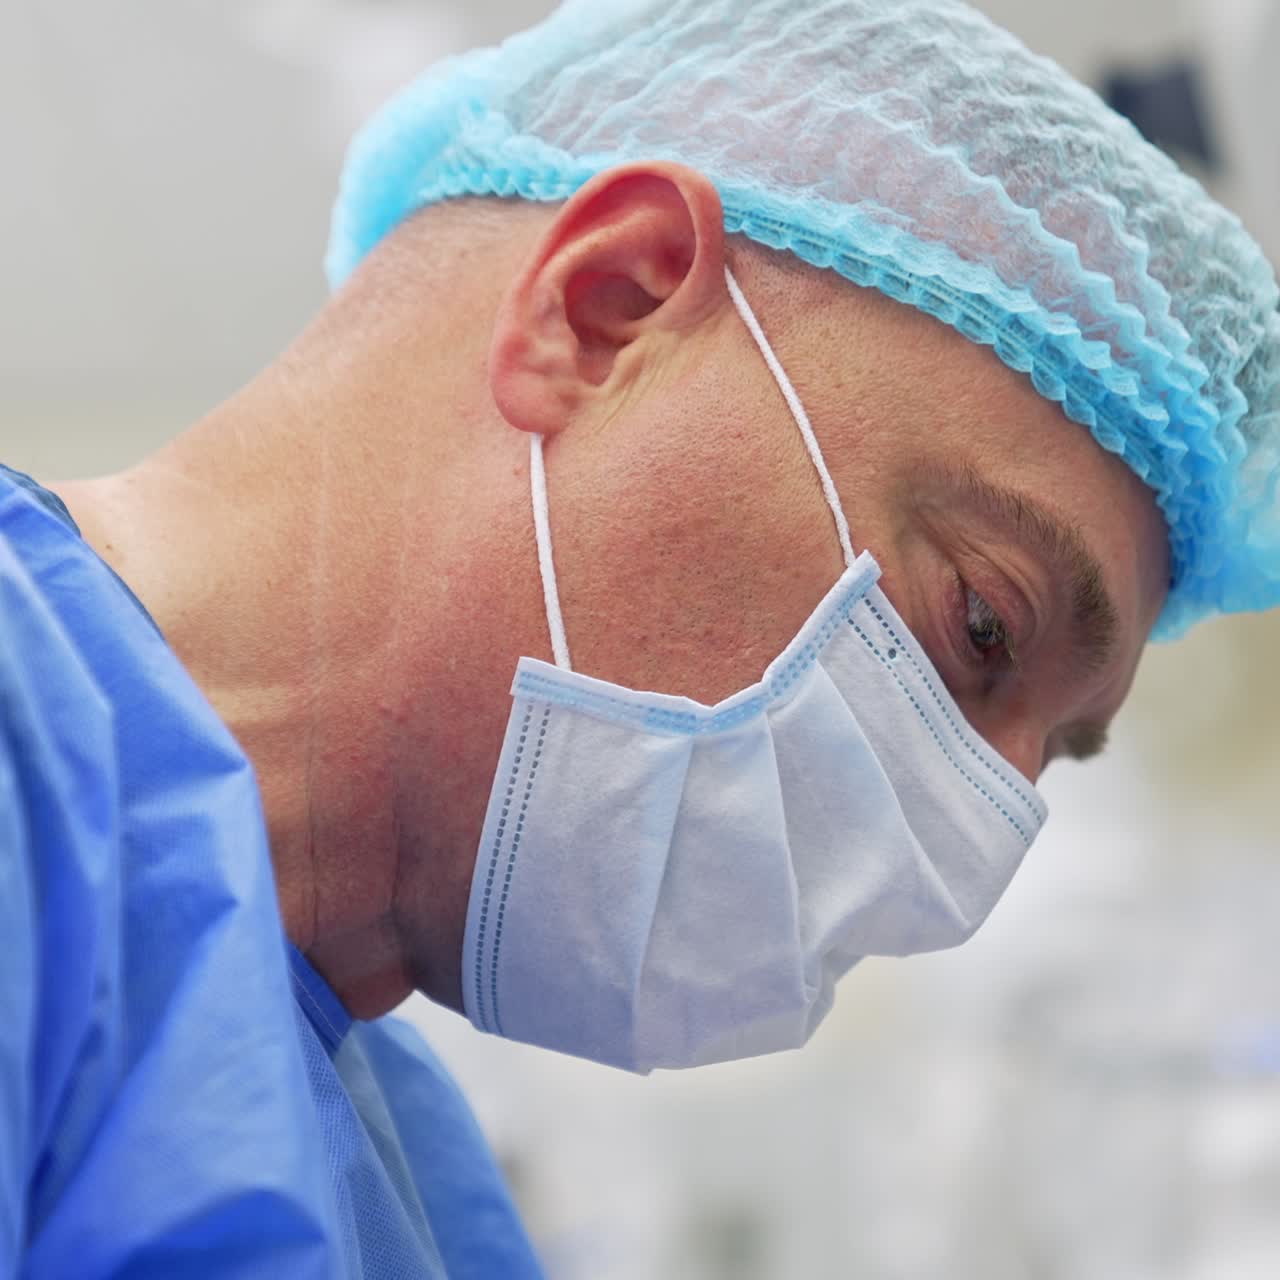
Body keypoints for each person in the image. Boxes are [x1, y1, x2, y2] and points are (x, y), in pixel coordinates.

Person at [6, 0, 1278, 1274]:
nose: (963, 865)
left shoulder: (402, 1185)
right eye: (982, 623)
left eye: (1046, 754)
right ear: (604, 308)